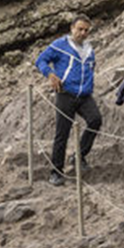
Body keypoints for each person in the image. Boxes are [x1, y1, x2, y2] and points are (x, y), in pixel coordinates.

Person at [34, 16, 102, 186]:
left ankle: (78, 156)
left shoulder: (89, 48)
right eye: (80, 29)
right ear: (72, 28)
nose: (83, 33)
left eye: (86, 30)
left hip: (85, 95)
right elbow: (40, 60)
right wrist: (50, 75)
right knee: (62, 133)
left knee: (95, 120)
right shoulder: (60, 45)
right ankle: (56, 172)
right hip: (65, 93)